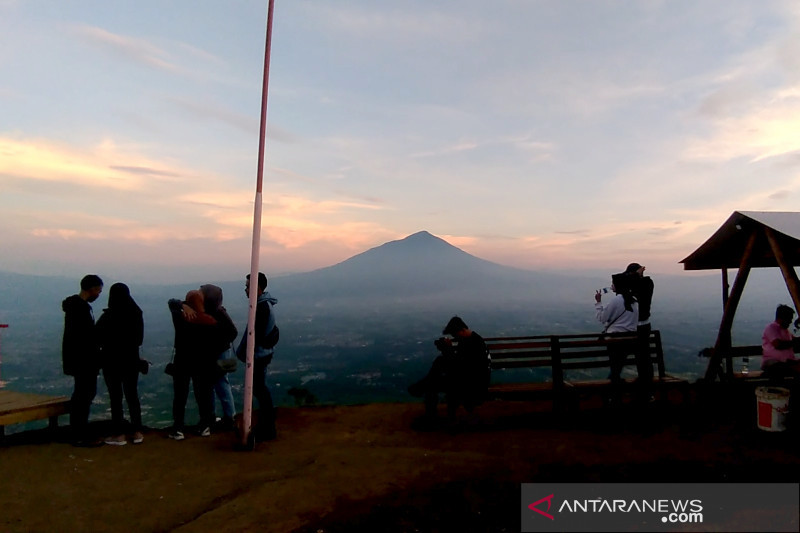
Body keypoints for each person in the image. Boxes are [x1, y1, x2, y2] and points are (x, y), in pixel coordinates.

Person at [167, 289, 230, 440]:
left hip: (182, 361)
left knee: (180, 395)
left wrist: (183, 305)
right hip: (203, 363)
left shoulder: (180, 317)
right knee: (204, 395)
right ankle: (205, 426)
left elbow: (171, 303)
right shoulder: (211, 321)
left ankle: (178, 428)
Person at [408, 316, 491, 425]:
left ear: (462, 330)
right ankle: (423, 388)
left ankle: (429, 414)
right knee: (439, 363)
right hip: (467, 380)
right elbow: (459, 366)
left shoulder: (474, 344)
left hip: (473, 384)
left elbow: (461, 367)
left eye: (455, 335)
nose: (455, 338)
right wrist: (448, 351)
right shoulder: (469, 340)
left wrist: (448, 349)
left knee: (432, 384)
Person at [96, 283, 145, 446]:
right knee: (132, 395)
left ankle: (119, 434)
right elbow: (139, 340)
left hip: (111, 361)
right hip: (131, 360)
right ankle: (137, 432)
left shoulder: (109, 316)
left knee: (115, 397)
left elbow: (97, 337)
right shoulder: (136, 313)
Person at [62, 274, 104, 446]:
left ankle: (78, 431)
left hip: (79, 359)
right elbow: (84, 337)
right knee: (84, 395)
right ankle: (79, 434)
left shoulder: (76, 307)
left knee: (82, 394)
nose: (99, 295)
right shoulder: (81, 309)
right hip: (84, 360)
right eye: (99, 291)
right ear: (92, 289)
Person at [236, 272, 278, 442]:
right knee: (260, 389)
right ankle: (267, 426)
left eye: (248, 286)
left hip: (259, 356)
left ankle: (268, 427)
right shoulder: (263, 305)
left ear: (257, 288)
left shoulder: (261, 308)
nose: (246, 290)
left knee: (260, 390)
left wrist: (245, 352)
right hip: (262, 354)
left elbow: (256, 336)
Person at [199, 284, 239, 431]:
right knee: (221, 382)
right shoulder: (216, 311)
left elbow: (233, 331)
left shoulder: (218, 313)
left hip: (220, 352)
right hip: (223, 351)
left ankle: (229, 416)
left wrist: (219, 343)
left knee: (220, 382)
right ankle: (228, 416)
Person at [594, 273, 639, 383]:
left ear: (618, 285)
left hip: (615, 340)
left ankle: (611, 392)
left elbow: (602, 318)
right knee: (617, 368)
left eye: (613, 283)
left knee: (615, 369)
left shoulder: (616, 300)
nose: (611, 285)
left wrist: (598, 302)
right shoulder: (634, 301)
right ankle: (613, 388)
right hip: (630, 340)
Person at [625, 262, 655, 398]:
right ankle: (645, 386)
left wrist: (637, 275)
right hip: (639, 325)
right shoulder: (637, 285)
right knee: (642, 357)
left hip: (641, 325)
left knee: (643, 357)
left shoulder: (647, 283)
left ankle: (646, 387)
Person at [761, 304, 800, 379]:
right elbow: (778, 345)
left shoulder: (786, 331)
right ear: (782, 318)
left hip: (786, 362)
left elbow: (795, 340)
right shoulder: (771, 328)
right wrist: (795, 342)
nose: (790, 322)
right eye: (789, 319)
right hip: (772, 363)